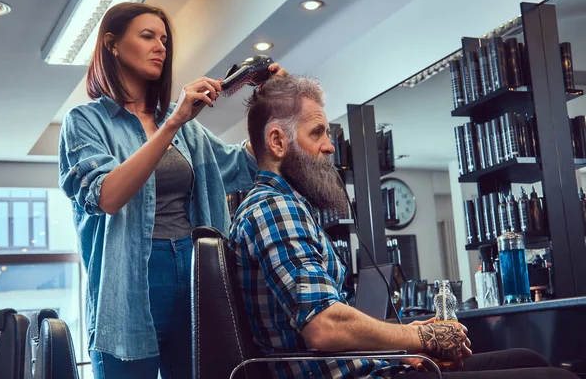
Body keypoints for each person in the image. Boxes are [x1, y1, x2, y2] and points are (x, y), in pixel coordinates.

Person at [228, 74, 578, 379]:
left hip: (372, 368)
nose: (329, 146)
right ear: (277, 141)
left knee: (527, 359)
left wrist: (401, 342)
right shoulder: (274, 208)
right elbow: (324, 326)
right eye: (317, 132)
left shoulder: (287, 206)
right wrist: (421, 338)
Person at [58, 2, 285, 379]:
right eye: (147, 36)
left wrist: (271, 104)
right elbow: (107, 196)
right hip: (130, 281)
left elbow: (244, 166)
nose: (161, 46)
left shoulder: (187, 129)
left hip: (197, 270)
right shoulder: (85, 121)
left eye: (164, 39)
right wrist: (175, 120)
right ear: (112, 44)